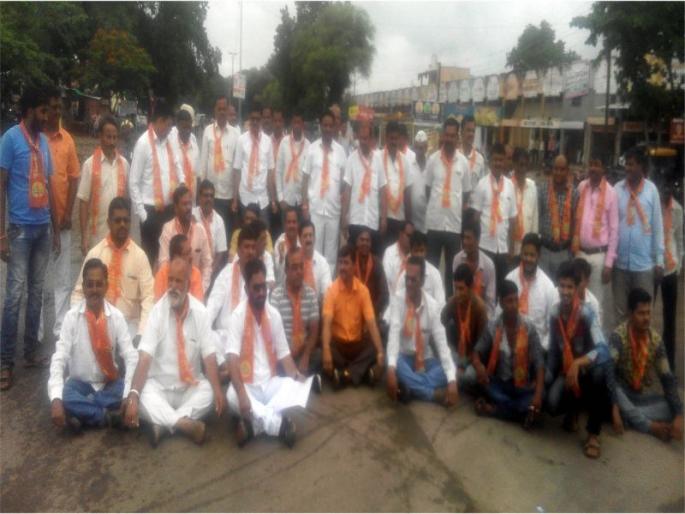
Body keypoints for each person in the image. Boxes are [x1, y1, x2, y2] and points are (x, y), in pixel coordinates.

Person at [123, 256, 225, 447]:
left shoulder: (200, 313)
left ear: (188, 284)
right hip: (160, 387)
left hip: (189, 388)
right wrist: (134, 395)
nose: (172, 286)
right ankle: (185, 424)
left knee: (208, 392)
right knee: (142, 395)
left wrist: (218, 390)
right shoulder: (157, 312)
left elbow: (209, 356)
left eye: (178, 281)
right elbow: (144, 357)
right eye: (170, 280)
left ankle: (164, 425)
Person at [1, 87, 60, 390]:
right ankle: (4, 362)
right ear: (29, 111)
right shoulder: (11, 139)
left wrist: (56, 229)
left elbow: (49, 186)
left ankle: (30, 353)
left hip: (42, 227)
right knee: (14, 295)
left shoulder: (43, 143)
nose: (47, 116)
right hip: (20, 230)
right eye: (42, 111)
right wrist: (1, 234)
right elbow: (0, 187)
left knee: (36, 292)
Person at [226, 258, 309, 447]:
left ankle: (253, 426)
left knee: (294, 387)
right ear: (246, 289)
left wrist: (297, 376)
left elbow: (284, 356)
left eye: (263, 287)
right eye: (256, 288)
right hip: (248, 386)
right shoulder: (237, 316)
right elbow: (232, 359)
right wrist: (241, 393)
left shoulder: (274, 315)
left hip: (271, 384)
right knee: (232, 395)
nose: (261, 292)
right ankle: (279, 425)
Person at [48, 259, 138, 432]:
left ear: (106, 286)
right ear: (83, 287)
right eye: (90, 285)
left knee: (125, 388)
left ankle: (82, 413)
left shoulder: (116, 317)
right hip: (79, 384)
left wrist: (128, 395)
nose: (94, 290)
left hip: (109, 384)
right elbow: (59, 358)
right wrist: (56, 400)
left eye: (99, 284)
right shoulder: (71, 318)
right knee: (64, 393)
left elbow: (131, 356)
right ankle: (106, 417)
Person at [545, 261, 610, 459]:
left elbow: (603, 349)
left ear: (577, 288)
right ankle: (573, 409)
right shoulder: (554, 313)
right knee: (551, 404)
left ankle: (593, 434)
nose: (565, 291)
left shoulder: (586, 313)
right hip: (566, 371)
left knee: (600, 373)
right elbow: (553, 353)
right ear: (557, 286)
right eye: (562, 286)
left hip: (586, 370)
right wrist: (542, 379)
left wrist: (577, 362)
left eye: (570, 287)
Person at [72, 197, 154, 340]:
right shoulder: (95, 253)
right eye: (117, 220)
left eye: (126, 220)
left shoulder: (140, 257)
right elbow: (78, 293)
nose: (122, 224)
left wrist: (141, 333)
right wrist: (80, 325)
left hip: (130, 327)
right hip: (97, 323)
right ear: (109, 223)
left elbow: (149, 297)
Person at [607, 288, 683, 442]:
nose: (646, 318)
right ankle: (648, 426)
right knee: (612, 387)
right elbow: (608, 374)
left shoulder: (655, 341)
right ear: (630, 314)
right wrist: (615, 405)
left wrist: (679, 416)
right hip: (618, 394)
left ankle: (629, 417)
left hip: (637, 397)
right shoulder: (618, 336)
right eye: (641, 313)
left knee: (673, 407)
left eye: (648, 313)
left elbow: (667, 378)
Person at [386, 256, 458, 405]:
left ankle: (411, 387)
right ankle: (432, 395)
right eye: (407, 279)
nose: (409, 284)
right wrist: (391, 369)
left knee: (449, 369)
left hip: (425, 359)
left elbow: (442, 344)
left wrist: (452, 381)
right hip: (403, 357)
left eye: (414, 280)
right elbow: (393, 335)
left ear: (423, 281)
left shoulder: (432, 306)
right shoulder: (398, 300)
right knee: (394, 362)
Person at [472, 280, 544, 428]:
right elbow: (476, 351)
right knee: (481, 383)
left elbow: (539, 362)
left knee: (541, 396)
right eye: (509, 301)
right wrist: (478, 365)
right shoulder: (493, 325)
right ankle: (522, 413)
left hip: (523, 385)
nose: (514, 305)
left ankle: (494, 410)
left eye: (516, 300)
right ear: (501, 303)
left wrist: (537, 396)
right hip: (501, 383)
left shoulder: (528, 326)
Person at [43, 88, 80, 340]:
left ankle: (59, 330)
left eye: (59, 107)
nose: (56, 111)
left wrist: (67, 213)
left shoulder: (68, 140)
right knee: (38, 277)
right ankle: (35, 332)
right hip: (38, 221)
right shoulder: (36, 139)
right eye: (52, 107)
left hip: (62, 220)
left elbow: (74, 178)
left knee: (63, 278)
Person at [613, 147, 664, 324]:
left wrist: (659, 261)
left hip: (643, 266)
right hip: (620, 265)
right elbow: (612, 225)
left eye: (631, 164)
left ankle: (640, 344)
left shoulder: (651, 191)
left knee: (642, 315)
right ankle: (623, 343)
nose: (627, 168)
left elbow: (658, 226)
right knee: (620, 313)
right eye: (626, 164)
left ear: (641, 166)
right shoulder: (617, 189)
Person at [322, 245, 385, 388]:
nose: (342, 267)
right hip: (338, 346)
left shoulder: (363, 291)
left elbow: (371, 323)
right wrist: (326, 350)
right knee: (323, 349)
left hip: (357, 345)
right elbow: (327, 323)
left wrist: (380, 352)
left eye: (346, 263)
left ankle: (345, 375)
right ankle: (360, 373)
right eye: (340, 263)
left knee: (377, 347)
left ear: (354, 265)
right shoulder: (331, 291)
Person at [129, 100, 182, 266]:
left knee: (167, 257)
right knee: (149, 259)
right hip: (150, 213)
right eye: (168, 125)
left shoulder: (169, 142)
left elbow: (178, 166)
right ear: (159, 121)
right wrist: (143, 215)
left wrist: (182, 185)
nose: (170, 129)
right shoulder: (143, 143)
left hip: (169, 210)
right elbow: (133, 182)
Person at [424, 118, 469, 295]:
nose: (449, 139)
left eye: (453, 136)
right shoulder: (432, 160)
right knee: (431, 270)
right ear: (442, 135)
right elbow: (428, 190)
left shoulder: (463, 163)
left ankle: (451, 306)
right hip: (434, 224)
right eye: (447, 135)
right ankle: (432, 304)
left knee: (452, 272)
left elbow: (466, 193)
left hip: (453, 226)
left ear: (457, 137)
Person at [571, 155, 618, 318]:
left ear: (603, 169)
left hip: (599, 257)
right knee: (577, 299)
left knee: (596, 303)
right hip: (580, 253)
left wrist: (609, 263)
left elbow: (614, 230)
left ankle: (595, 334)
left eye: (597, 165)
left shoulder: (611, 193)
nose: (593, 168)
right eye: (591, 164)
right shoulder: (581, 187)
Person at [302, 110, 347, 269]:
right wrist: (305, 206)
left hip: (333, 210)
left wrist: (343, 213)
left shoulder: (341, 152)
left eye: (330, 125)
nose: (328, 128)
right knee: (314, 251)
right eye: (325, 125)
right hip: (315, 209)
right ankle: (313, 280)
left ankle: (328, 283)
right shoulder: (312, 149)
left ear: (334, 127)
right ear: (320, 126)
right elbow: (305, 178)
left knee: (331, 253)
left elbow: (344, 184)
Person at [471, 142, 517, 296]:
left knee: (501, 288)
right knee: (483, 287)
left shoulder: (510, 186)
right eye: (495, 160)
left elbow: (512, 220)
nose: (498, 163)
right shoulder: (481, 185)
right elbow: (475, 218)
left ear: (505, 162)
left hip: (502, 248)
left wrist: (511, 248)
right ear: (490, 161)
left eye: (501, 160)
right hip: (484, 246)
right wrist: (475, 246)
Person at [78, 116, 129, 255]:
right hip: (97, 235)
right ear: (100, 136)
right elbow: (83, 202)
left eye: (115, 137)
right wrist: (84, 237)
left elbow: (126, 200)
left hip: (119, 233)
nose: (112, 142)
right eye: (108, 137)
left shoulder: (124, 164)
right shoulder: (89, 165)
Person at [269, 248, 321, 380]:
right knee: (273, 362)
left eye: (301, 267)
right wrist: (286, 358)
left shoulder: (311, 294)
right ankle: (304, 379)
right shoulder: (276, 296)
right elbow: (273, 334)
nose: (299, 271)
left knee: (320, 355)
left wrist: (306, 355)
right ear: (286, 270)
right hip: (283, 355)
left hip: (303, 352)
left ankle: (295, 378)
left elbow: (314, 331)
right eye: (294, 268)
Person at [207, 224, 259, 352]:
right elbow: (212, 307)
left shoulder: (259, 277)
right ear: (239, 250)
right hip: (225, 338)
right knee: (208, 338)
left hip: (252, 338)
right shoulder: (226, 274)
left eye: (253, 247)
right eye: (246, 247)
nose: (250, 252)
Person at [504, 233, 559, 352]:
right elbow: (499, 315)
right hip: (510, 347)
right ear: (521, 253)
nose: (528, 259)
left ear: (538, 256)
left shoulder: (548, 286)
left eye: (532, 255)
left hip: (537, 350)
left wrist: (541, 349)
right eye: (525, 254)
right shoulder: (510, 279)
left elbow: (552, 327)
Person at [341, 122, 387, 255]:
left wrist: (383, 218)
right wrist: (344, 218)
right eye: (361, 138)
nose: (363, 141)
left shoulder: (378, 160)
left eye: (366, 138)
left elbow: (383, 191)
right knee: (354, 257)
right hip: (356, 219)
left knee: (371, 259)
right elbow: (347, 191)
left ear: (371, 139)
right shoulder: (351, 159)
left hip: (372, 220)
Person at [158, 184, 212, 292]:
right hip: (173, 288)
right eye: (184, 204)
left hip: (196, 287)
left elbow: (207, 263)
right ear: (176, 208)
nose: (188, 207)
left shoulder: (200, 230)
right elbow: (164, 263)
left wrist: (201, 288)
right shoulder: (168, 230)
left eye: (190, 203)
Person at [441, 263, 487, 390]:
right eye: (456, 288)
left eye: (461, 289)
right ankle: (455, 373)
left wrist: (468, 361)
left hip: (473, 356)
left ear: (471, 287)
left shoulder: (480, 308)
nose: (458, 293)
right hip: (457, 354)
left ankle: (454, 376)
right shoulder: (453, 301)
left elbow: (481, 346)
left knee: (469, 377)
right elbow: (439, 323)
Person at [198, 96, 240, 238]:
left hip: (228, 195)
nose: (222, 112)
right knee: (209, 232)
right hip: (210, 195)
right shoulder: (207, 131)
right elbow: (203, 162)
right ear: (215, 110)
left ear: (228, 111)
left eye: (224, 109)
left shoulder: (235, 134)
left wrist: (235, 197)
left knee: (226, 233)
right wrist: (202, 192)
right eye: (219, 109)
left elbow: (237, 167)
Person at [232, 106, 274, 228]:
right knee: (246, 234)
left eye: (257, 119)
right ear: (249, 120)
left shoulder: (267, 141)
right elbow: (237, 171)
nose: (255, 122)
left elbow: (270, 172)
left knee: (263, 234)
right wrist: (235, 199)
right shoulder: (241, 140)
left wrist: (272, 200)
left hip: (262, 199)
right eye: (252, 119)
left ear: (261, 121)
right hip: (245, 197)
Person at [537, 154, 577, 281]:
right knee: (544, 287)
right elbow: (538, 217)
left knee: (561, 288)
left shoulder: (574, 193)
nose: (558, 172)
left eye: (562, 169)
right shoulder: (542, 189)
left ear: (567, 171)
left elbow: (575, 222)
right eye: (556, 169)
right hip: (544, 250)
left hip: (563, 252)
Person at [452, 213, 497, 316]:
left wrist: (483, 320)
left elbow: (490, 303)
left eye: (468, 238)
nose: (465, 242)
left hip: (481, 315)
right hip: (461, 313)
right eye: (463, 238)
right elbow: (456, 293)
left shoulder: (489, 265)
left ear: (478, 240)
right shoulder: (457, 259)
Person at [659, 183, 683, 371]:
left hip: (671, 268)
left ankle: (669, 363)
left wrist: (679, 265)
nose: (666, 193)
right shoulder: (653, 206)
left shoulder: (678, 209)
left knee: (670, 317)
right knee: (643, 312)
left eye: (669, 190)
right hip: (653, 267)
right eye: (664, 190)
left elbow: (679, 239)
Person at [381, 121, 413, 250]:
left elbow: (407, 193)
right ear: (386, 138)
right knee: (382, 254)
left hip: (399, 219)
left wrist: (408, 221)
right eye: (391, 138)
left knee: (397, 254)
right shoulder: (377, 158)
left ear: (400, 139)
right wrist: (382, 219)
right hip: (382, 218)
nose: (394, 142)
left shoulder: (405, 161)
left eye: (396, 138)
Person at [395, 230, 445, 307]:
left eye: (421, 251)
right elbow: (397, 301)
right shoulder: (404, 274)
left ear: (426, 251)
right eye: (416, 251)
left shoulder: (435, 273)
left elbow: (441, 304)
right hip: (408, 312)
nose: (419, 255)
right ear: (411, 251)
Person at [275, 112, 310, 221]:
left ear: (303, 124)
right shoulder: (284, 142)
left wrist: (306, 201)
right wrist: (280, 198)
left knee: (301, 230)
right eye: (294, 122)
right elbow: (278, 171)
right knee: (286, 230)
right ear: (291, 124)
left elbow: (309, 176)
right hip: (286, 200)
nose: (297, 125)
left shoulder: (309, 146)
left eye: (299, 122)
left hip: (301, 201)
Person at [192, 179, 228, 284]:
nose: (209, 199)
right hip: (192, 268)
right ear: (199, 197)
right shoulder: (191, 215)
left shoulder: (219, 220)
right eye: (205, 195)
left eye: (211, 196)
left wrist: (210, 273)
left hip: (211, 270)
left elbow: (220, 252)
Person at [154, 234, 204, 302]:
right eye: (187, 253)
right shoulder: (162, 274)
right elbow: (158, 303)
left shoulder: (196, 273)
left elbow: (198, 302)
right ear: (176, 257)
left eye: (190, 251)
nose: (191, 256)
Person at [353, 228, 389, 321]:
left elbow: (384, 294)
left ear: (371, 244)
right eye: (362, 240)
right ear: (357, 242)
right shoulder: (350, 261)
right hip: (351, 312)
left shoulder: (376, 262)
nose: (365, 243)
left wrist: (371, 312)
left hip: (372, 313)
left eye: (367, 240)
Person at [510, 147, 538, 258]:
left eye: (525, 165)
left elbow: (535, 218)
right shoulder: (507, 185)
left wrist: (534, 244)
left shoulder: (532, 186)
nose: (523, 169)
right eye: (520, 165)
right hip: (510, 245)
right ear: (514, 164)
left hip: (527, 246)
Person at [299, 220, 332, 303]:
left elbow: (327, 293)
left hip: (316, 306)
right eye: (305, 236)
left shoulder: (323, 263)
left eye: (311, 235)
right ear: (300, 239)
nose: (308, 239)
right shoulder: (294, 260)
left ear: (315, 238)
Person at [172, 109, 199, 202]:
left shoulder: (194, 146)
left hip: (192, 198)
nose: (187, 131)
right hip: (176, 199)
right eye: (184, 128)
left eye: (189, 127)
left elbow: (197, 174)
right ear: (177, 126)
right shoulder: (171, 146)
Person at [382, 220, 414, 296]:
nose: (411, 239)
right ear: (400, 234)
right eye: (408, 236)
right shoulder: (389, 252)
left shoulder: (415, 256)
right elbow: (386, 280)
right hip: (390, 297)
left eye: (413, 237)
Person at [572, 257, 602, 329]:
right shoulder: (557, 294)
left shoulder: (593, 304)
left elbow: (596, 331)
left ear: (587, 282)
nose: (575, 284)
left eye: (578, 281)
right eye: (573, 279)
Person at [274, 206, 300, 285]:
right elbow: (278, 275)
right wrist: (281, 258)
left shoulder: (302, 241)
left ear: (298, 224)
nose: (291, 225)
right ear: (284, 224)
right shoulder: (279, 243)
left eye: (294, 222)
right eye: (289, 222)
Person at [409, 130, 429, 234]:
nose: (419, 151)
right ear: (414, 148)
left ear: (426, 148)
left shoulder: (431, 166)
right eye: (417, 147)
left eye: (422, 148)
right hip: (412, 221)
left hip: (427, 222)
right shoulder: (409, 166)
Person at [460, 115, 486, 185]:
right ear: (461, 132)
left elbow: (481, 185)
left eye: (473, 131)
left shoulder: (480, 159)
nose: (471, 134)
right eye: (468, 130)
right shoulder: (455, 156)